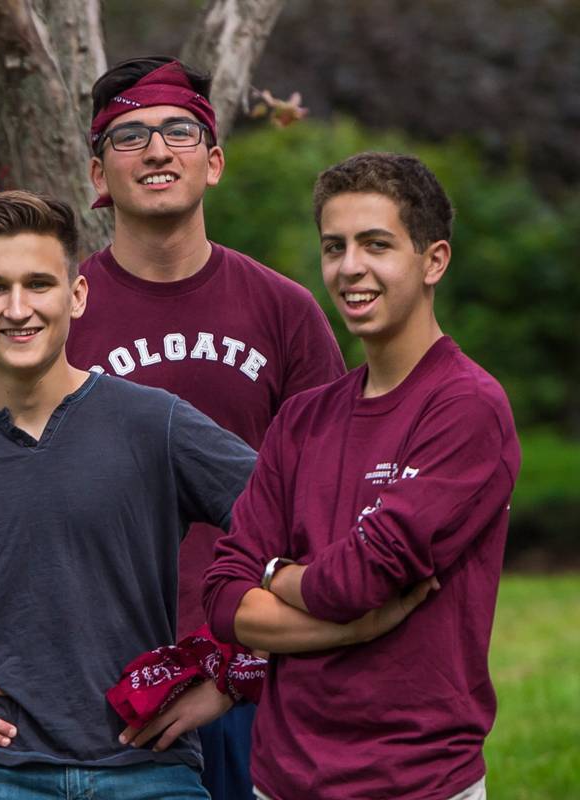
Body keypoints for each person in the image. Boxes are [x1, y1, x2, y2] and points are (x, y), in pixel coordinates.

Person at [0, 189, 257, 799]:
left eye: (39, 284)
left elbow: (295, 524)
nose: (18, 308)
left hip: (149, 773)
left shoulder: (156, 426)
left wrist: (235, 671)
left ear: (77, 295)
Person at [60, 56, 347, 798]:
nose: (157, 151)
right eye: (130, 137)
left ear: (213, 162)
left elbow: (328, 502)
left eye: (179, 132)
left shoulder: (284, 311)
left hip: (252, 675)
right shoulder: (57, 315)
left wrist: (238, 671)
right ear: (98, 174)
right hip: (99, 683)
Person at [204, 152, 520, 800]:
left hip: (416, 781)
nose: (350, 268)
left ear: (433, 260)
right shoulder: (302, 418)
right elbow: (222, 596)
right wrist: (355, 626)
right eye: (334, 247)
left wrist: (277, 575)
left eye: (376, 245)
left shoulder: (467, 408)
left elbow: (361, 578)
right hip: (282, 779)